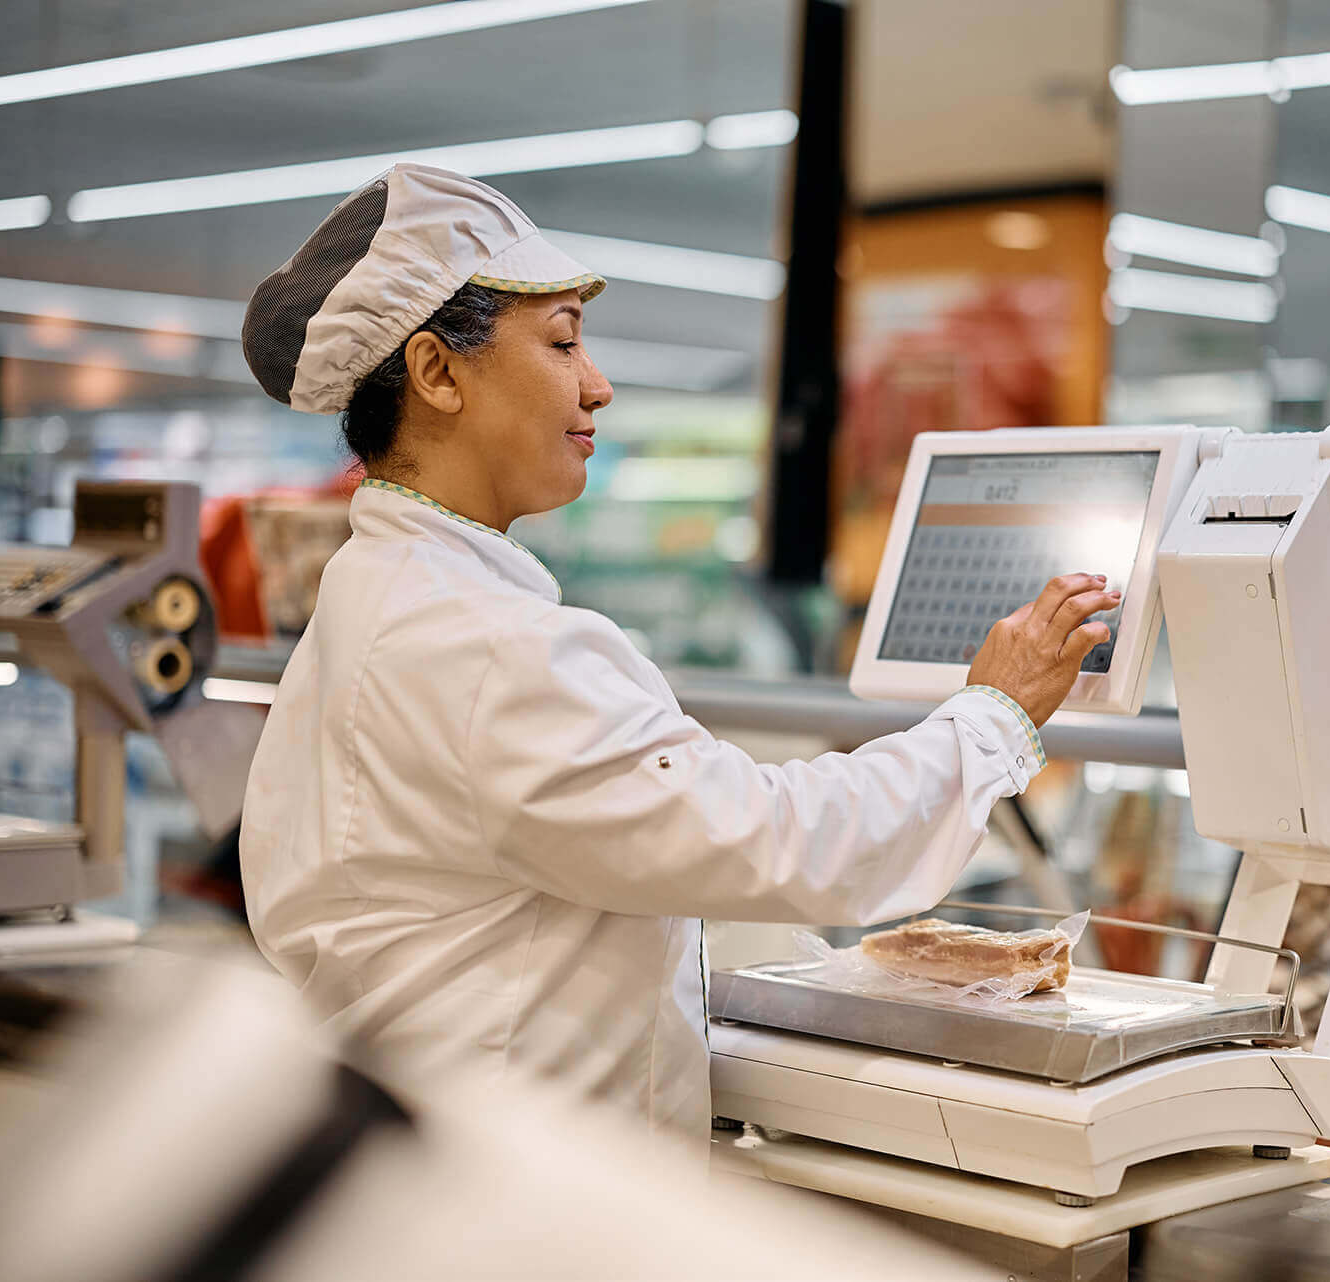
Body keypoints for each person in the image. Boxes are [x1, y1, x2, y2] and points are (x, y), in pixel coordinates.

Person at [235, 164, 1120, 1134]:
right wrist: (994, 718)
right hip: (520, 1186)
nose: (598, 385)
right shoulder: (484, 646)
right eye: (563, 341)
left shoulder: (375, 604)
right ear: (437, 373)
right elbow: (785, 843)